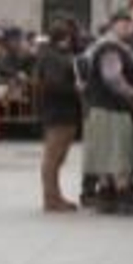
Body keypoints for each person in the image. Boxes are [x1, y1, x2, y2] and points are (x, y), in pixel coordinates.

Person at [80, 12, 133, 215]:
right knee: (119, 155)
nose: (130, 29)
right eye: (125, 25)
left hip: (101, 108)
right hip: (113, 109)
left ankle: (106, 199)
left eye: (130, 25)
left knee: (104, 155)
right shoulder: (111, 48)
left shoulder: (105, 46)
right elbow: (112, 78)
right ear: (115, 25)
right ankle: (123, 199)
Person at [34, 18, 83, 213]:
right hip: (59, 111)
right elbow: (54, 84)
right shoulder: (53, 57)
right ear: (65, 37)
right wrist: (75, 88)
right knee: (53, 158)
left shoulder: (52, 55)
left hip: (62, 110)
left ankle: (55, 196)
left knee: (57, 158)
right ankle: (51, 199)